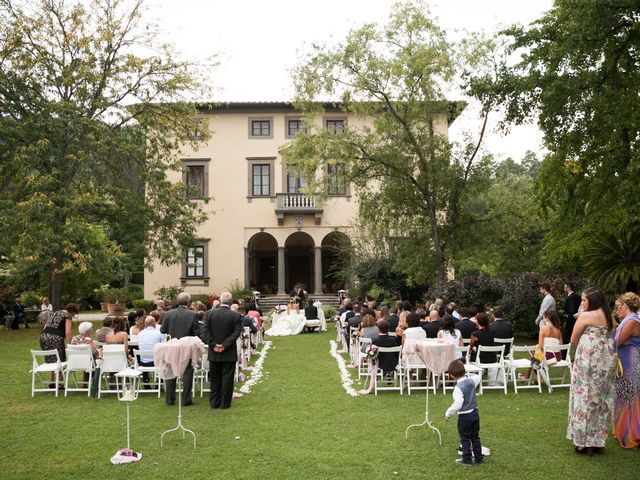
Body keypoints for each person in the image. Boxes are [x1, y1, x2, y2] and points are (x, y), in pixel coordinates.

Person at [567, 287, 616, 455]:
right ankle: (597, 442)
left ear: (592, 301)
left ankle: (583, 442)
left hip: (588, 362)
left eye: (584, 300)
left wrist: (580, 319)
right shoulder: (610, 317)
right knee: (601, 400)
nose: (581, 303)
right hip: (605, 362)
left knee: (584, 398)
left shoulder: (586, 316)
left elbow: (573, 339)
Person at [204, 291, 242, 409]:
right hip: (228, 351)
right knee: (227, 378)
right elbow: (236, 333)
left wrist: (214, 345)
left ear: (220, 301)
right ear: (231, 302)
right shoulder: (235, 315)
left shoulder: (209, 314)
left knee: (215, 378)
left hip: (214, 352)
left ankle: (214, 402)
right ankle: (225, 403)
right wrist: (224, 345)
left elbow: (205, 332)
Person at [161, 292, 199, 406]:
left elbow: (162, 330)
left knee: (171, 371)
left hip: (172, 346)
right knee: (187, 372)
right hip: (186, 347)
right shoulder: (193, 315)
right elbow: (196, 333)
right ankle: (186, 399)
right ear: (188, 302)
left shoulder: (168, 314)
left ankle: (170, 399)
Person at [613, 292, 640, 449]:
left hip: (631, 362)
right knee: (623, 396)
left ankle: (631, 435)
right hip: (624, 362)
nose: (617, 311)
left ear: (625, 306)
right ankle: (622, 430)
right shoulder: (627, 320)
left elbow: (619, 340)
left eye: (619, 308)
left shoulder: (632, 321)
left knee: (630, 397)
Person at [444, 359, 483, 466]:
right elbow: (478, 376)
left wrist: (448, 413)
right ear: (465, 371)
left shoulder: (458, 388)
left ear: (451, 375)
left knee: (464, 438)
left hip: (465, 416)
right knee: (475, 436)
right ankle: (478, 458)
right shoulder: (472, 381)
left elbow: (458, 404)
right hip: (475, 413)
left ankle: (466, 459)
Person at [39, 304, 77, 387]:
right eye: (74, 314)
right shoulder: (67, 315)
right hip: (55, 337)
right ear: (72, 311)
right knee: (60, 358)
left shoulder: (55, 313)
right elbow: (68, 332)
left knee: (51, 357)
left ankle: (52, 381)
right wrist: (69, 345)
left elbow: (46, 325)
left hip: (43, 336)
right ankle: (60, 382)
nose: (74, 316)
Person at [137, 316, 166, 386]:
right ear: (154, 324)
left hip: (142, 363)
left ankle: (145, 381)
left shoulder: (140, 334)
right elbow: (164, 346)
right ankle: (159, 383)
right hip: (156, 362)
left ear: (145, 324)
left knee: (144, 356)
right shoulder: (159, 333)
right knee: (163, 357)